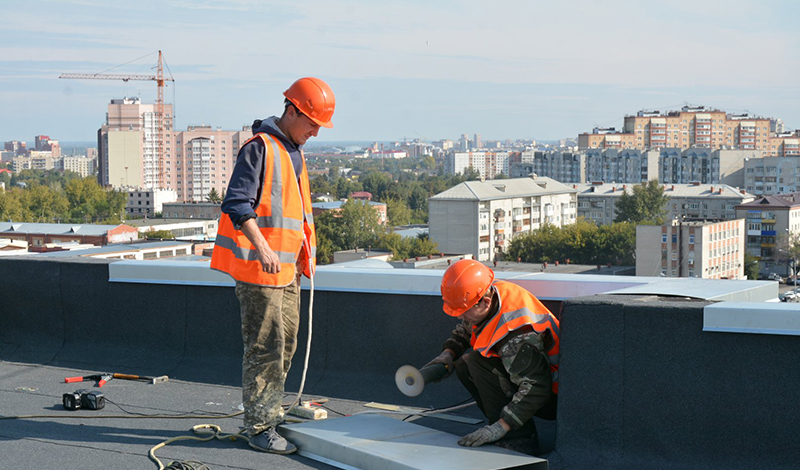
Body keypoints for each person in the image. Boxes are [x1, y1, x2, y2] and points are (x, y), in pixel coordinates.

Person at [210, 77, 335, 454]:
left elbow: (293, 215)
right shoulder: (260, 148)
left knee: (286, 344)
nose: (315, 131)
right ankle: (260, 425)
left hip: (287, 270)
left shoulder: (293, 150)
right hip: (259, 269)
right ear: (292, 110)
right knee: (265, 347)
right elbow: (236, 204)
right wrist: (263, 247)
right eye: (312, 122)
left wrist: (301, 258)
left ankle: (271, 410)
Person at [426, 259, 560, 454]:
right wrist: (448, 354)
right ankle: (508, 427)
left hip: (553, 397)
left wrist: (500, 427)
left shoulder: (517, 334)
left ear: (485, 303)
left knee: (476, 361)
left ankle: (520, 438)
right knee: (465, 364)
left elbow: (537, 387)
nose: (459, 317)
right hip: (533, 380)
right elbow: (467, 327)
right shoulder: (489, 292)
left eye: (463, 312)